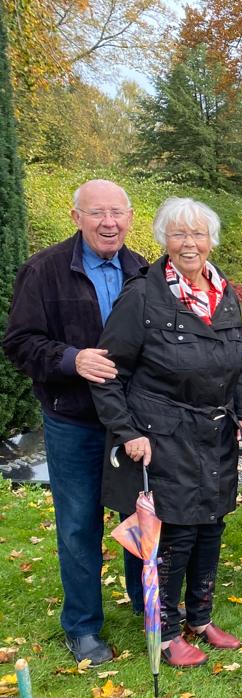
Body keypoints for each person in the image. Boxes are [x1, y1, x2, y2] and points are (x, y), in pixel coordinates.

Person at [91, 197, 242, 668]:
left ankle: (199, 618)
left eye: (198, 234)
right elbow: (108, 372)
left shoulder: (223, 292)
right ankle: (163, 632)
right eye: (179, 233)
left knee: (211, 526)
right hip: (162, 434)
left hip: (215, 433)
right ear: (164, 239)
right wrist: (127, 432)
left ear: (211, 241)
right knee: (175, 534)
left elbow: (237, 364)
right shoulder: (143, 296)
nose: (189, 243)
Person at [3, 179, 146, 666]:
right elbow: (19, 343)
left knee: (139, 515)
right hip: (74, 419)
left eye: (117, 213)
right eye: (97, 213)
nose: (109, 222)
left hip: (130, 422)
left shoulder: (143, 270)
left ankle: (147, 604)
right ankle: (83, 626)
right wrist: (72, 359)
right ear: (76, 217)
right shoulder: (43, 271)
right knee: (79, 523)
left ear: (130, 217)